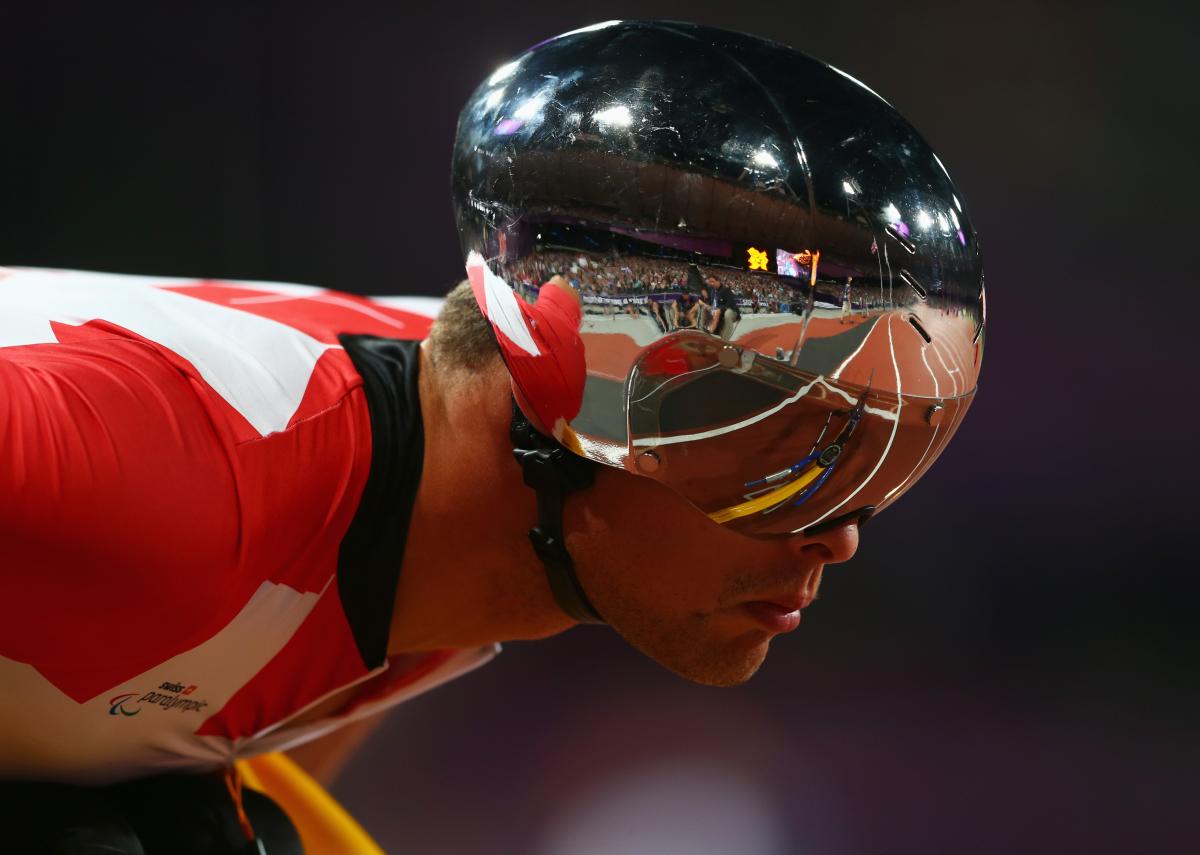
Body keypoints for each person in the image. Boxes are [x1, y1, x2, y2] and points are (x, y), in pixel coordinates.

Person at [1, 19, 985, 854]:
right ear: (554, 410)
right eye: (769, 445)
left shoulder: (436, 543)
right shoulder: (172, 482)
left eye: (856, 460)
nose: (839, 535)